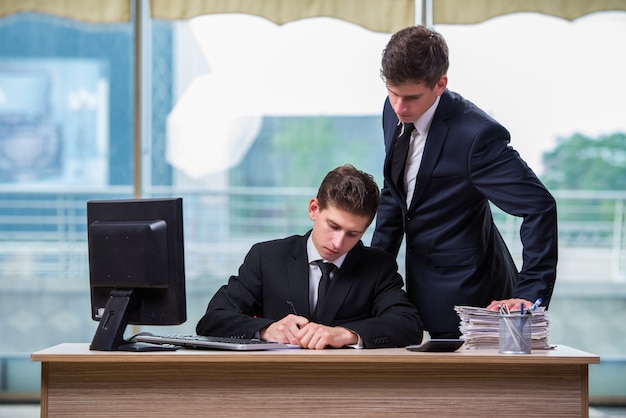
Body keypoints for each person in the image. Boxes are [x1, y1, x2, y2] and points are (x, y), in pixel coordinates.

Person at [371, 25, 558, 339]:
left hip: (473, 296)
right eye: (393, 94)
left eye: (411, 97)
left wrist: (528, 293)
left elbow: (539, 206)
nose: (400, 107)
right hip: (416, 288)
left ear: (440, 84)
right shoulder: (394, 114)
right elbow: (396, 193)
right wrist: (373, 273)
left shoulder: (476, 136)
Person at [196, 164, 423, 349]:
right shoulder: (266, 258)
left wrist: (346, 334)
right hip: (271, 384)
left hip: (349, 388)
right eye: (333, 226)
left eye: (353, 234)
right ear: (314, 209)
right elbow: (213, 320)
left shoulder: (378, 267)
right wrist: (267, 330)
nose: (338, 243)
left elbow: (408, 325)